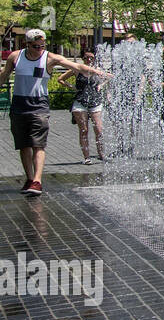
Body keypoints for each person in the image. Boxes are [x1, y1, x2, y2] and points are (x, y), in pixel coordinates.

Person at [0, 29, 108, 195]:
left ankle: (37, 181)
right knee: (23, 145)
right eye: (36, 46)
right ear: (27, 44)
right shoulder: (15, 57)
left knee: (38, 143)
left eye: (42, 45)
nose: (40, 49)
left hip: (39, 105)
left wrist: (95, 71)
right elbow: (4, 75)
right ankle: (29, 178)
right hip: (19, 104)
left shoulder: (49, 57)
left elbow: (76, 66)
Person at [54, 49, 110, 163]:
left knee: (99, 129)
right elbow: (60, 79)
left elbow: (109, 77)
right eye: (86, 58)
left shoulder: (98, 70)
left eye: (91, 58)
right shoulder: (77, 69)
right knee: (84, 130)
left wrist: (101, 85)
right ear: (83, 59)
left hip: (95, 100)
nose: (89, 60)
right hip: (80, 101)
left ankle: (101, 154)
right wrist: (72, 87)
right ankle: (86, 157)